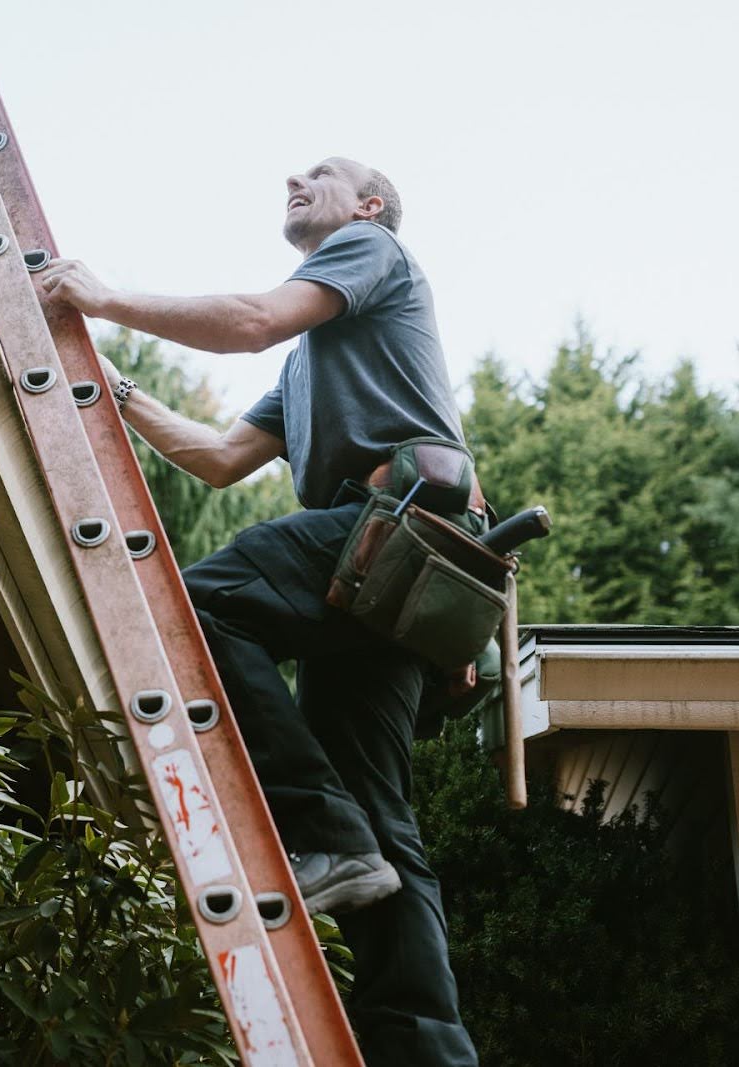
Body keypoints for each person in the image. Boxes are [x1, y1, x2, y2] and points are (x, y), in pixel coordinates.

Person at [38, 157, 478, 1065]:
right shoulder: (314, 362)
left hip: (395, 534)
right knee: (384, 826)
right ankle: (427, 1050)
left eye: (321, 171)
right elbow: (217, 454)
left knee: (198, 606)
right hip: (389, 578)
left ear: (368, 206)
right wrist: (106, 382)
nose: (294, 175)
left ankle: (322, 831)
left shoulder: (373, 250)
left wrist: (104, 298)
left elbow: (248, 322)